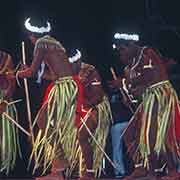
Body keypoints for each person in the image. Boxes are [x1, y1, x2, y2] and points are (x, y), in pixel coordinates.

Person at [16, 18, 84, 179]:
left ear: (33, 35)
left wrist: (16, 74)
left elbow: (32, 72)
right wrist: (31, 72)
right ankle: (58, 172)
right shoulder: (54, 42)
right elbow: (53, 74)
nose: (30, 41)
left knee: (42, 119)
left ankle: (61, 161)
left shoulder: (41, 43)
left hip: (63, 87)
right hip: (67, 85)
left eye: (30, 37)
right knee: (51, 123)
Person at [109, 32, 180, 180]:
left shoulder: (147, 52)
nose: (121, 54)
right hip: (149, 97)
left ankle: (167, 172)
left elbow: (150, 76)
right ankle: (141, 167)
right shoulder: (132, 65)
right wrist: (130, 96)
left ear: (131, 45)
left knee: (155, 135)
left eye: (123, 50)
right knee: (130, 132)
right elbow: (140, 88)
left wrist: (123, 82)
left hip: (160, 95)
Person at [68, 49, 112, 179]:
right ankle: (76, 169)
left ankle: (90, 173)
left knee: (82, 136)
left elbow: (97, 97)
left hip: (96, 107)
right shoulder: (65, 71)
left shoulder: (90, 71)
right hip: (78, 108)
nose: (71, 67)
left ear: (78, 61)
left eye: (73, 64)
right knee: (72, 136)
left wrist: (83, 106)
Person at [0, 50, 21, 175]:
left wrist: (5, 101)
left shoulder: (6, 58)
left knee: (2, 135)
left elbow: (12, 83)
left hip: (3, 99)